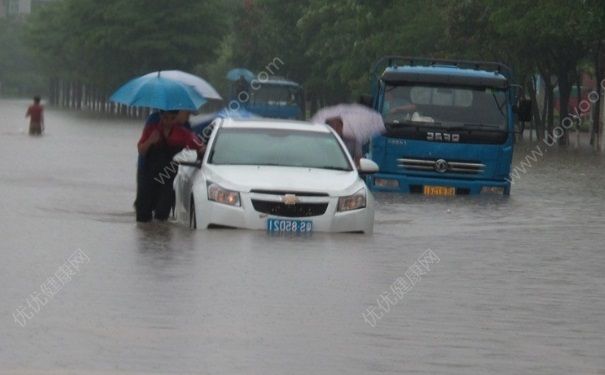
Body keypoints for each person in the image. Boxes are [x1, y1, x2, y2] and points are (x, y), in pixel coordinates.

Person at [135, 110, 204, 222]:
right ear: (161, 117)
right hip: (148, 174)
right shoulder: (151, 128)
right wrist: (150, 141)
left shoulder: (183, 133)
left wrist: (203, 152)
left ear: (176, 117)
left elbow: (199, 146)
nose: (168, 121)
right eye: (165, 118)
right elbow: (141, 150)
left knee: (162, 212)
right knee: (143, 212)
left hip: (167, 177)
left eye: (172, 118)